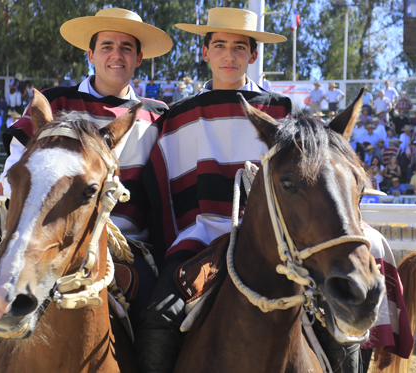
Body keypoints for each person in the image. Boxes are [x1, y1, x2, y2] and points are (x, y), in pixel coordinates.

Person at [0, 8, 173, 372]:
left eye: (127, 47)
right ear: (91, 54)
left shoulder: (159, 115)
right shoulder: (55, 102)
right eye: (107, 46)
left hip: (127, 248)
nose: (117, 54)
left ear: (139, 57)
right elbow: (16, 168)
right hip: (43, 237)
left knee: (161, 326)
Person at [136, 8, 319, 372]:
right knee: (158, 316)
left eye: (239, 47)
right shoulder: (178, 116)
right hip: (199, 241)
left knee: (337, 320)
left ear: (253, 55)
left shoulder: (283, 110)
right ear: (205, 53)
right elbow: (160, 190)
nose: (229, 55)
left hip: (276, 246)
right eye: (219, 45)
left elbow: (312, 179)